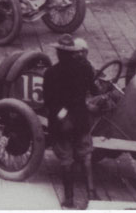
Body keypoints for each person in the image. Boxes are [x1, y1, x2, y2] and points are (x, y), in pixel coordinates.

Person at [43, 35, 99, 209]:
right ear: (74, 52)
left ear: (59, 53)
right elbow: (93, 89)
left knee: (66, 159)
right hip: (81, 119)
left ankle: (69, 199)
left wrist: (61, 113)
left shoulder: (51, 73)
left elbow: (48, 101)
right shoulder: (85, 68)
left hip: (62, 123)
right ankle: (92, 193)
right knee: (86, 153)